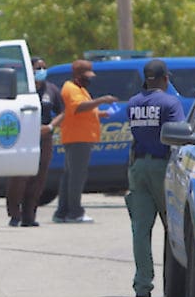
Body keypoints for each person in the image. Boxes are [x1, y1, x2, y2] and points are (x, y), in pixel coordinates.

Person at [125, 59, 185, 297]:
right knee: (174, 226)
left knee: (140, 229)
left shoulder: (133, 103)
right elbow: (178, 134)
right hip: (163, 167)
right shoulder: (170, 102)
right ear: (165, 79)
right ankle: (175, 286)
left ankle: (142, 285)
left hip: (138, 166)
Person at [49, 59, 117, 223]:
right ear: (77, 75)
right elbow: (78, 107)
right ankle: (75, 212)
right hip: (77, 138)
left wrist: (100, 114)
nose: (89, 79)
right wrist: (101, 100)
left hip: (79, 136)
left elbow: (81, 111)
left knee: (69, 175)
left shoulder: (80, 89)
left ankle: (62, 211)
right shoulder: (70, 88)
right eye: (86, 76)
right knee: (77, 176)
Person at [6, 57, 62, 227]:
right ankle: (15, 214)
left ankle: (29, 216)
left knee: (39, 177)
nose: (41, 71)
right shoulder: (21, 89)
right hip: (23, 138)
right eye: (38, 68)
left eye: (44, 67)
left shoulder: (51, 89)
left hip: (44, 138)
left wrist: (51, 126)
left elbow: (63, 112)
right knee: (20, 177)